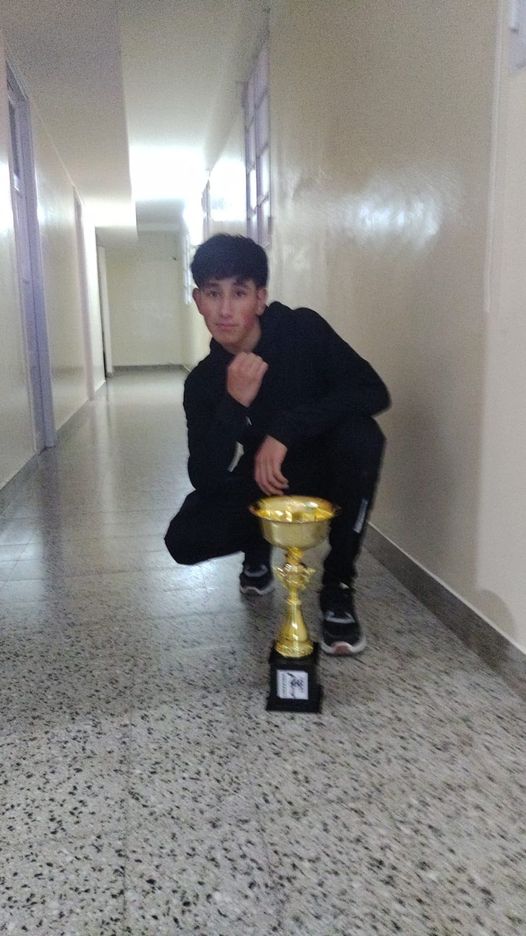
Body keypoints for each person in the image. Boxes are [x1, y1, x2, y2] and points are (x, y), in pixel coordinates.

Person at [165, 234, 390, 655]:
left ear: (260, 298)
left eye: (239, 293)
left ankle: (338, 584)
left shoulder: (302, 330)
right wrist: (233, 404)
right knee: (184, 539)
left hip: (322, 467)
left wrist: (286, 431)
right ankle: (257, 545)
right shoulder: (203, 382)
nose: (225, 309)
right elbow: (204, 476)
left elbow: (372, 391)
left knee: (362, 436)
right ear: (198, 300)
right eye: (213, 293)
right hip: (261, 480)